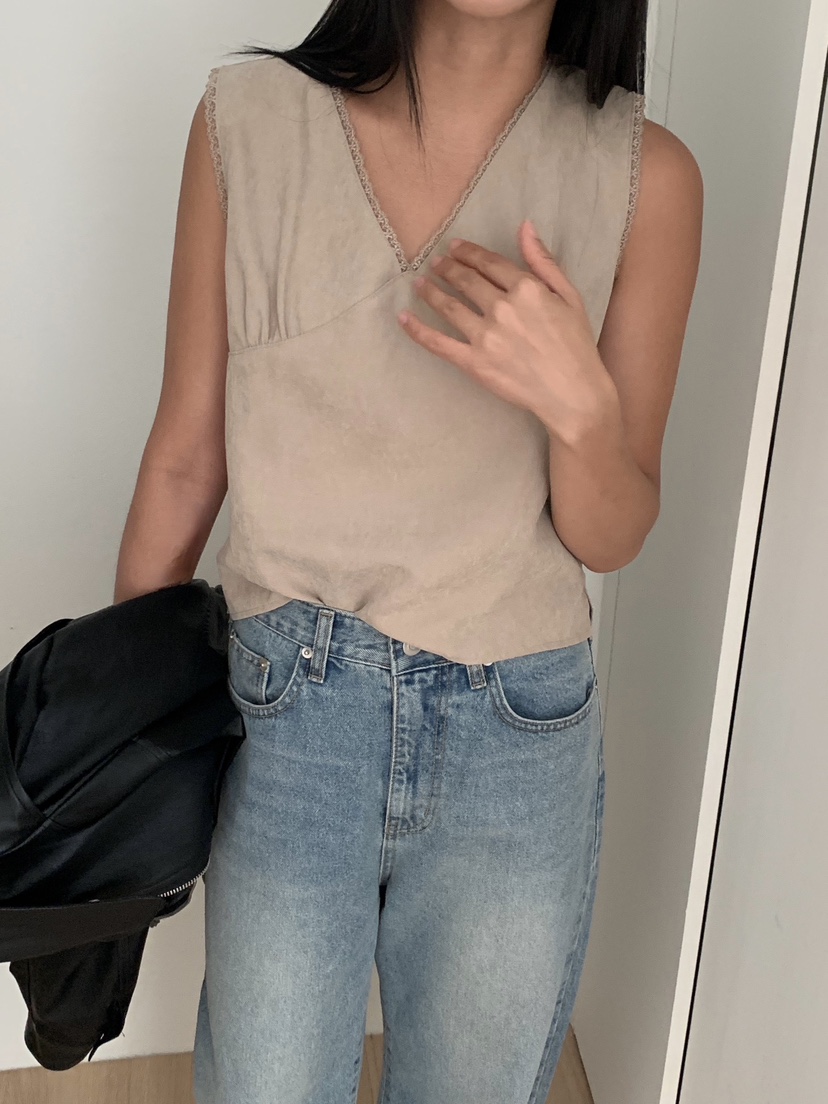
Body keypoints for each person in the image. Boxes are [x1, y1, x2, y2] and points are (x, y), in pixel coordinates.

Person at [114, 0, 702, 1100]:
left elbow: (612, 532)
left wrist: (580, 411)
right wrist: (115, 743)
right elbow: (187, 461)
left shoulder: (646, 177)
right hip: (287, 727)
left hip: (517, 737)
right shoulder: (247, 123)